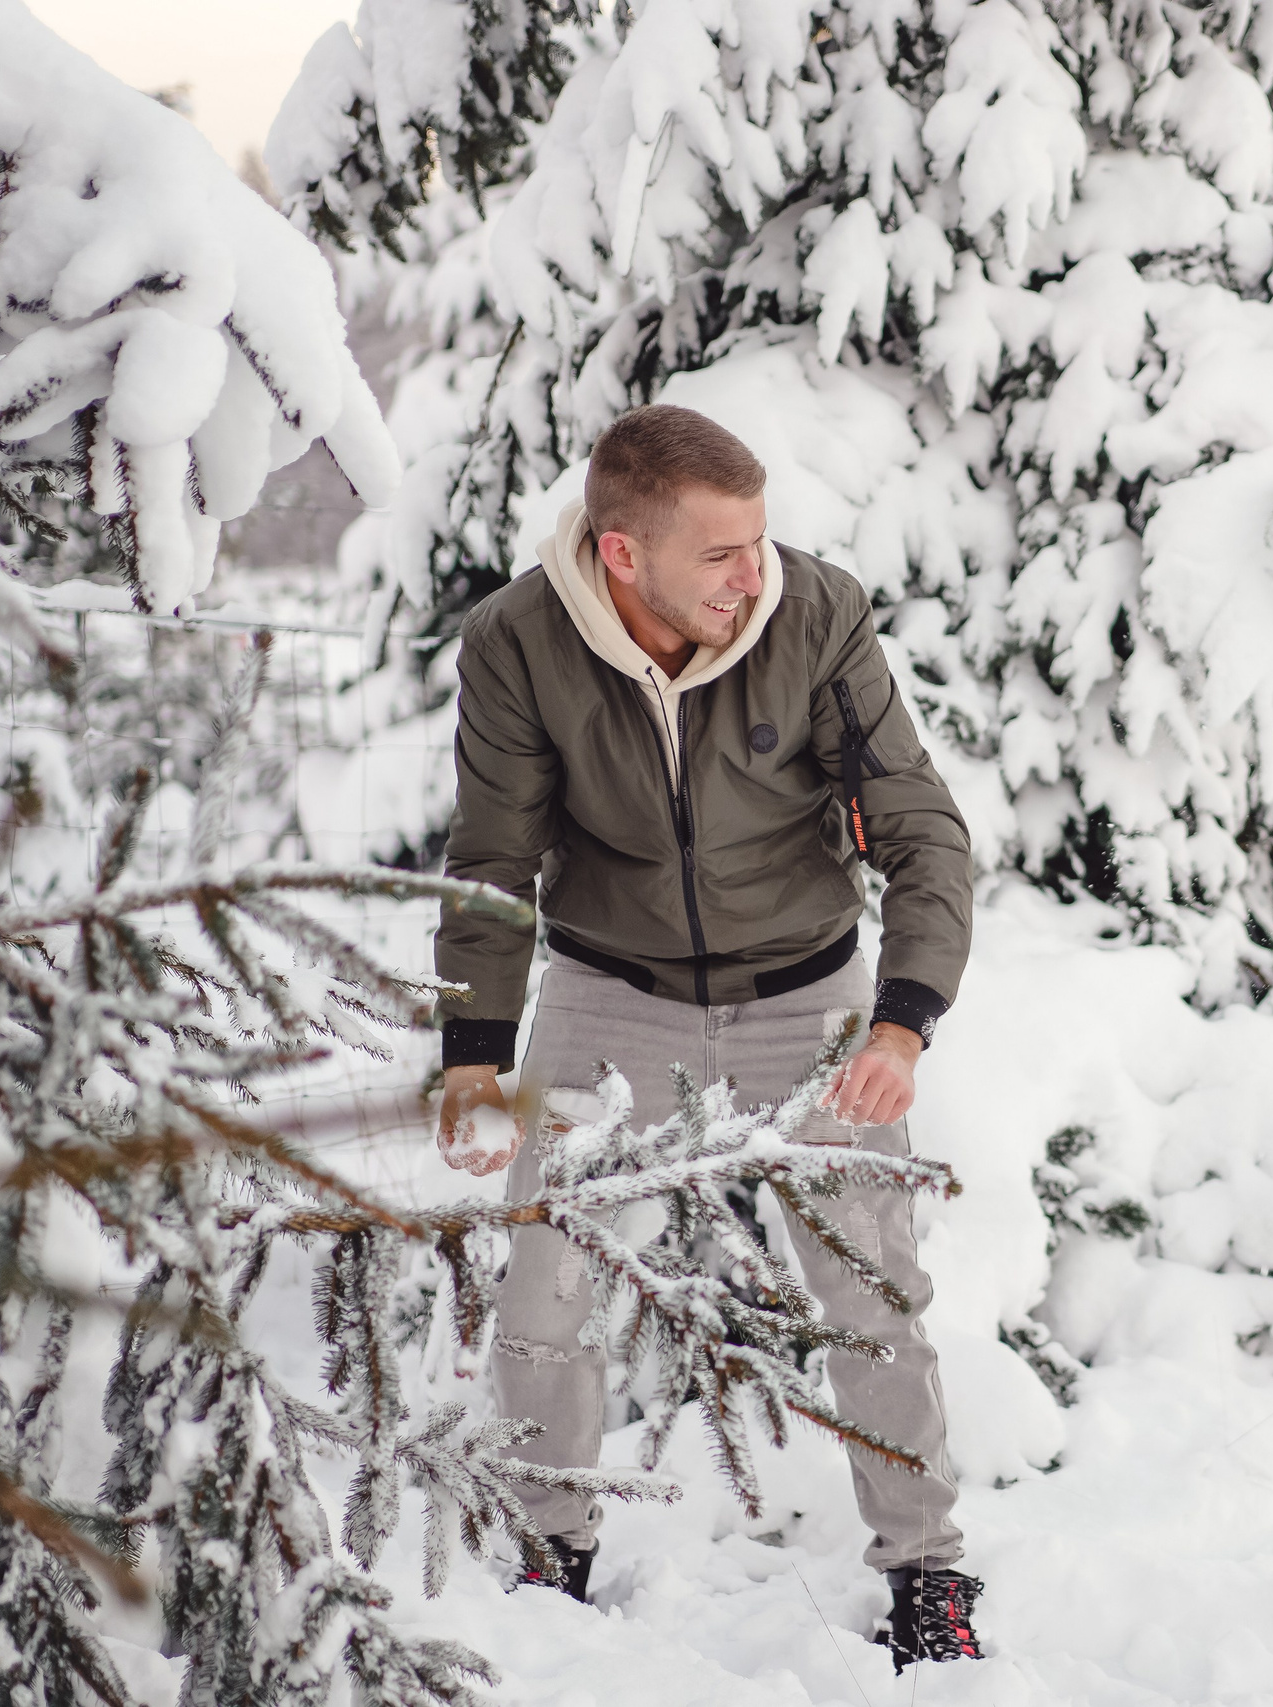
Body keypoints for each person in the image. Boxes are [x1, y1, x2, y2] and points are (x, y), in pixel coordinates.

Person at [430, 403, 985, 1666]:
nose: (755, 575)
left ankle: (927, 1573)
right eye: (722, 555)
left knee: (873, 1292)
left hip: (806, 989)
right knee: (544, 1280)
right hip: (607, 986)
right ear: (622, 555)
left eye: (761, 543)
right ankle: (549, 1545)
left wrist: (902, 1022)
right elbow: (494, 857)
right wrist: (472, 1048)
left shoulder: (814, 612)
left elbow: (917, 825)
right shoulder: (518, 642)